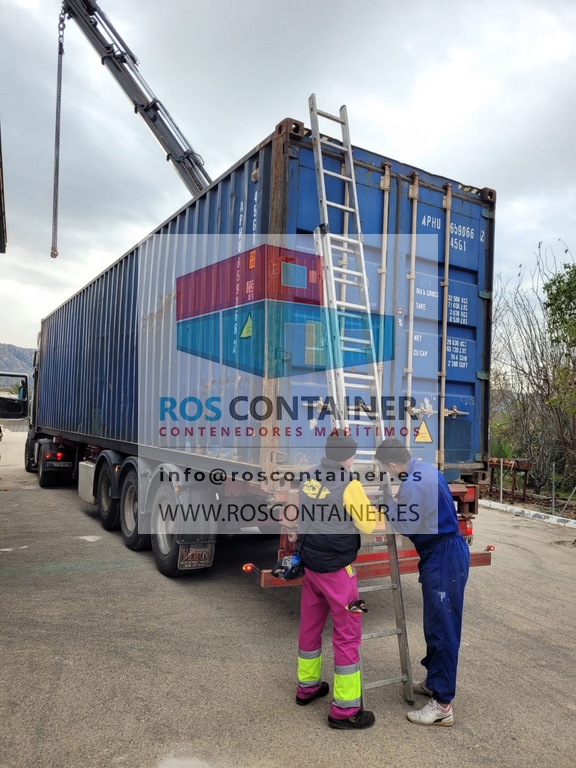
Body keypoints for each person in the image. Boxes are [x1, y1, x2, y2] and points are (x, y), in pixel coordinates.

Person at [374, 438, 470, 727]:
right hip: (444, 551)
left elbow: (405, 524)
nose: (388, 474)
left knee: (443, 629)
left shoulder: (413, 484)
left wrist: (387, 503)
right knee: (435, 624)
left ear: (393, 465)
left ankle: (442, 705)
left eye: (386, 469)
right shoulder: (426, 469)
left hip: (443, 556)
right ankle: (434, 682)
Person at [295, 431, 378, 730]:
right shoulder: (349, 484)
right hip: (337, 572)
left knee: (310, 627)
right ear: (347, 457)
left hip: (311, 566)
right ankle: (345, 710)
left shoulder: (309, 476)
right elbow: (367, 524)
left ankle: (307, 688)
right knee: (347, 635)